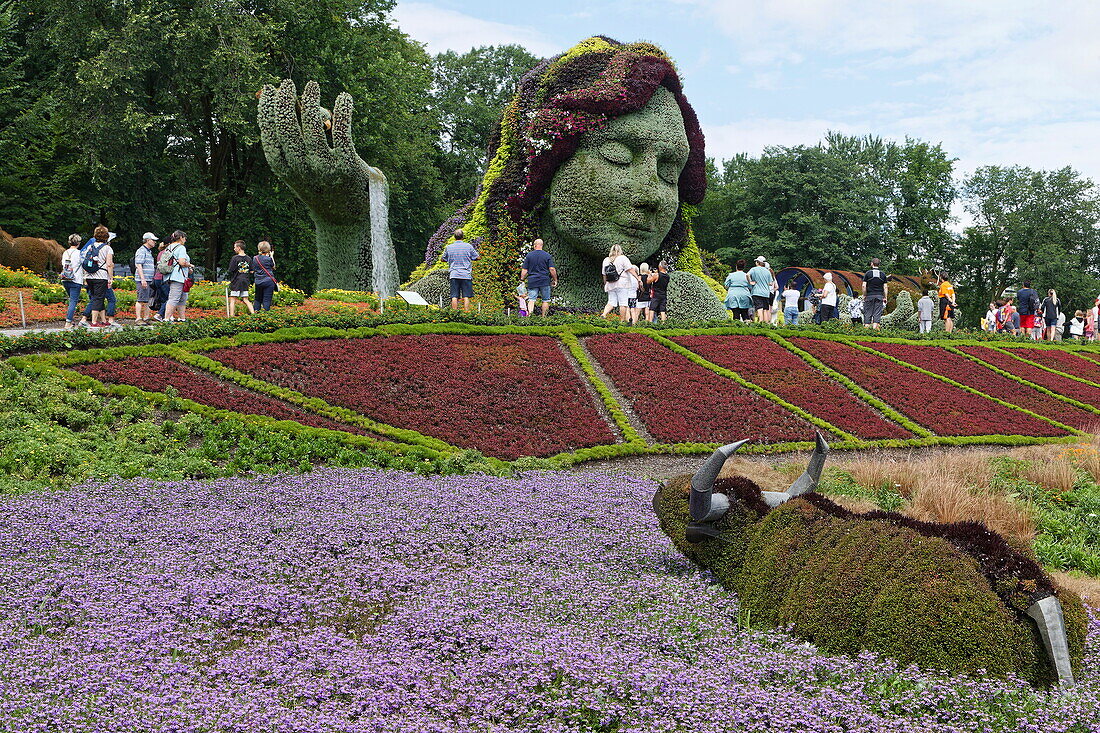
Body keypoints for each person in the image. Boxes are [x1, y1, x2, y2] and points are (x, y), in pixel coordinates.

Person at [262, 38, 725, 319]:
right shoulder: (454, 292)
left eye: (670, 172)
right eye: (619, 156)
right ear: (539, 166)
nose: (651, 194)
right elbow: (361, 345)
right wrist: (344, 226)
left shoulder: (688, 302)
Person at [82, 226, 114, 328]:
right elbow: (109, 264)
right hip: (101, 276)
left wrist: (84, 276)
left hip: (89, 276)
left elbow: (84, 261)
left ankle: (104, 320)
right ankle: (94, 322)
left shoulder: (90, 246)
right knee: (98, 298)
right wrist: (111, 277)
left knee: (98, 297)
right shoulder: (107, 248)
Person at [442, 229, 479, 312]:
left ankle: (454, 314)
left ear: (454, 237)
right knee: (466, 296)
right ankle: (466, 314)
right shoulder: (468, 246)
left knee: (454, 296)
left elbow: (443, 259)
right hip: (465, 274)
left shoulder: (449, 247)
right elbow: (477, 257)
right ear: (463, 236)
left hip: (454, 274)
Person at [601, 244, 639, 323]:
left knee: (611, 302)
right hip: (622, 284)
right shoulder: (623, 258)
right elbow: (630, 269)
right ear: (620, 250)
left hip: (610, 284)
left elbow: (604, 274)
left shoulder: (606, 260)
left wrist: (605, 284)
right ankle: (621, 321)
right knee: (623, 303)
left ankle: (604, 314)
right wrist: (638, 278)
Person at [520, 238, 556, 317]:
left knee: (531, 300)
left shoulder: (529, 255)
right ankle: (544, 318)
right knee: (545, 300)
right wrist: (555, 279)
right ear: (542, 245)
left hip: (532, 281)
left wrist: (522, 279)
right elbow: (552, 269)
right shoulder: (547, 255)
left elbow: (524, 270)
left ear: (534, 245)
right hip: (544, 281)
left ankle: (529, 318)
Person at [163, 230, 192, 322]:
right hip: (178, 276)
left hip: (170, 275)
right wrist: (190, 265)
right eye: (184, 238)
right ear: (181, 238)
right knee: (174, 298)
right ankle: (166, 319)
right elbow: (182, 262)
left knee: (182, 298)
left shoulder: (169, 247)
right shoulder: (181, 248)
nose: (185, 240)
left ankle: (182, 318)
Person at [133, 233, 158, 325]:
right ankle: (138, 318)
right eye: (153, 240)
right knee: (140, 299)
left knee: (147, 299)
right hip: (143, 279)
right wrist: (142, 279)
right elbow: (138, 265)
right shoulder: (141, 251)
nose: (155, 242)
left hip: (148, 279)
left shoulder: (148, 251)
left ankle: (146, 317)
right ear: (148, 240)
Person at [60, 234, 84, 330]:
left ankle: (71, 320)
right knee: (73, 301)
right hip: (76, 279)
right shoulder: (79, 253)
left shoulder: (65, 252)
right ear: (78, 243)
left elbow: (63, 264)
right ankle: (68, 322)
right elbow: (83, 264)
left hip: (65, 279)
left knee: (71, 300)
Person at [226, 240, 255, 316]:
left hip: (236, 281)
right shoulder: (249, 258)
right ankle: (254, 315)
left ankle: (231, 317)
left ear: (239, 248)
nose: (234, 249)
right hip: (245, 281)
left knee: (232, 299)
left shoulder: (235, 258)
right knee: (246, 299)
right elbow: (252, 271)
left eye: (235, 247)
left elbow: (231, 270)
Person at [861, 258, 889, 329]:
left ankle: (866, 333)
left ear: (871, 264)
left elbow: (864, 286)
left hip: (869, 296)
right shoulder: (883, 274)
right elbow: (885, 287)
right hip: (879, 296)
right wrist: (885, 297)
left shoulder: (868, 273)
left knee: (867, 314)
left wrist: (864, 295)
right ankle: (874, 332)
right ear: (879, 265)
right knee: (877, 315)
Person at [747, 256, 774, 322]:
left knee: (759, 308)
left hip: (757, 292)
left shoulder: (754, 269)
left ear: (758, 262)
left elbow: (747, 275)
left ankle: (761, 323)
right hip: (766, 293)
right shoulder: (767, 271)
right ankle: (766, 324)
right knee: (765, 309)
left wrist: (750, 282)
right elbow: (770, 283)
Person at [252, 241, 277, 312]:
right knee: (267, 299)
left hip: (258, 281)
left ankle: (256, 313)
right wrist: (271, 256)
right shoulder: (268, 259)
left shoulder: (255, 258)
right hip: (268, 281)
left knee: (257, 299)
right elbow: (273, 266)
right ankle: (265, 316)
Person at [152, 239, 170, 321]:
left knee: (163, 299)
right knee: (170, 298)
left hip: (157, 278)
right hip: (163, 278)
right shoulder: (167, 253)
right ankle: (159, 314)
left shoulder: (160, 252)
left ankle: (164, 316)